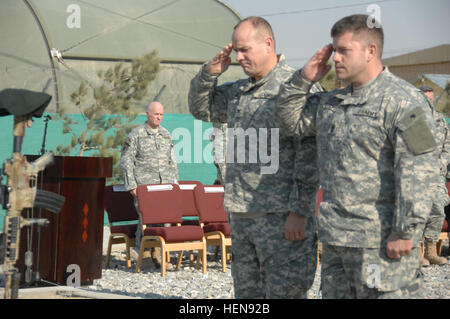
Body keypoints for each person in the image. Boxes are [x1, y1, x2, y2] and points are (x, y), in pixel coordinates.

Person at [275, 14, 439, 298]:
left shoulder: (404, 101)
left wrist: (404, 230)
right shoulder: (330, 102)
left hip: (380, 242)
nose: (335, 58)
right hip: (337, 239)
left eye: (344, 51)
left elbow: (419, 170)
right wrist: (303, 79)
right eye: (334, 49)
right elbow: (288, 121)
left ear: (370, 51)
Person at [188, 16, 322, 299]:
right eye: (236, 50)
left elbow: (310, 155)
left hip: (282, 218)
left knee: (285, 294)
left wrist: (300, 212)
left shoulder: (297, 88)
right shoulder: (238, 91)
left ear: (268, 44)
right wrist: (208, 74)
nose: (238, 57)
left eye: (245, 49)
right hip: (242, 214)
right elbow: (202, 109)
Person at [120, 101, 179, 267]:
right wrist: (131, 185)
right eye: (156, 114)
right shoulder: (136, 135)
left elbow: (172, 161)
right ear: (147, 114)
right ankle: (143, 254)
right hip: (144, 187)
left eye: (161, 115)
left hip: (164, 187)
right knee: (145, 220)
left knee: (163, 221)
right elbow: (126, 161)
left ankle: (159, 255)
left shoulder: (166, 135)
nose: (159, 117)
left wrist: (174, 184)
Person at [419, 85, 449, 266]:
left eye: (430, 99)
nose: (428, 102)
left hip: (436, 174)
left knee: (438, 206)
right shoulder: (408, 119)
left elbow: (447, 146)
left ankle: (431, 250)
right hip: (413, 175)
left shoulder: (440, 120)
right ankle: (415, 252)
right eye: (424, 99)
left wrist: (441, 165)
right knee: (415, 210)